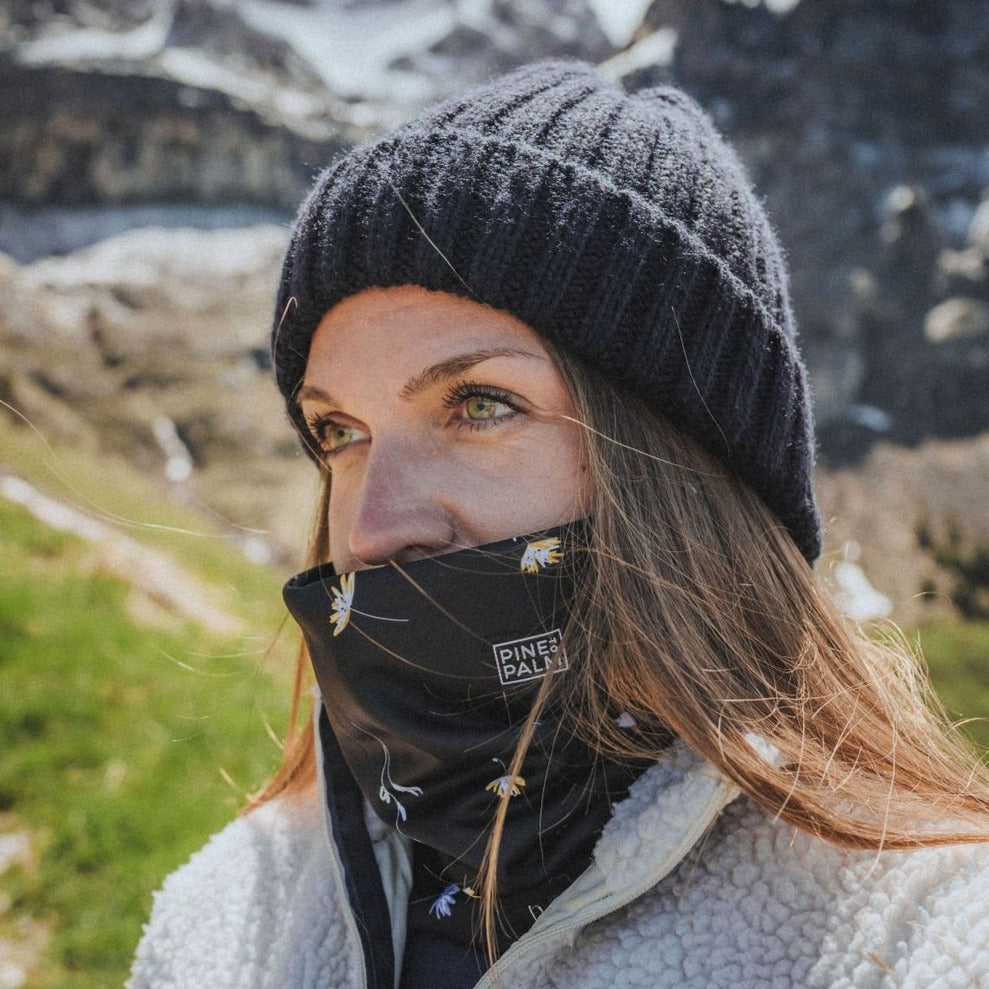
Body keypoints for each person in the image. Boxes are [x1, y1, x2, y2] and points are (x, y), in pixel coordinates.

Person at [128, 60, 989, 989]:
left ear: (683, 471)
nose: (370, 530)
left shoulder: (921, 934)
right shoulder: (222, 921)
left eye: (480, 405)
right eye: (338, 431)